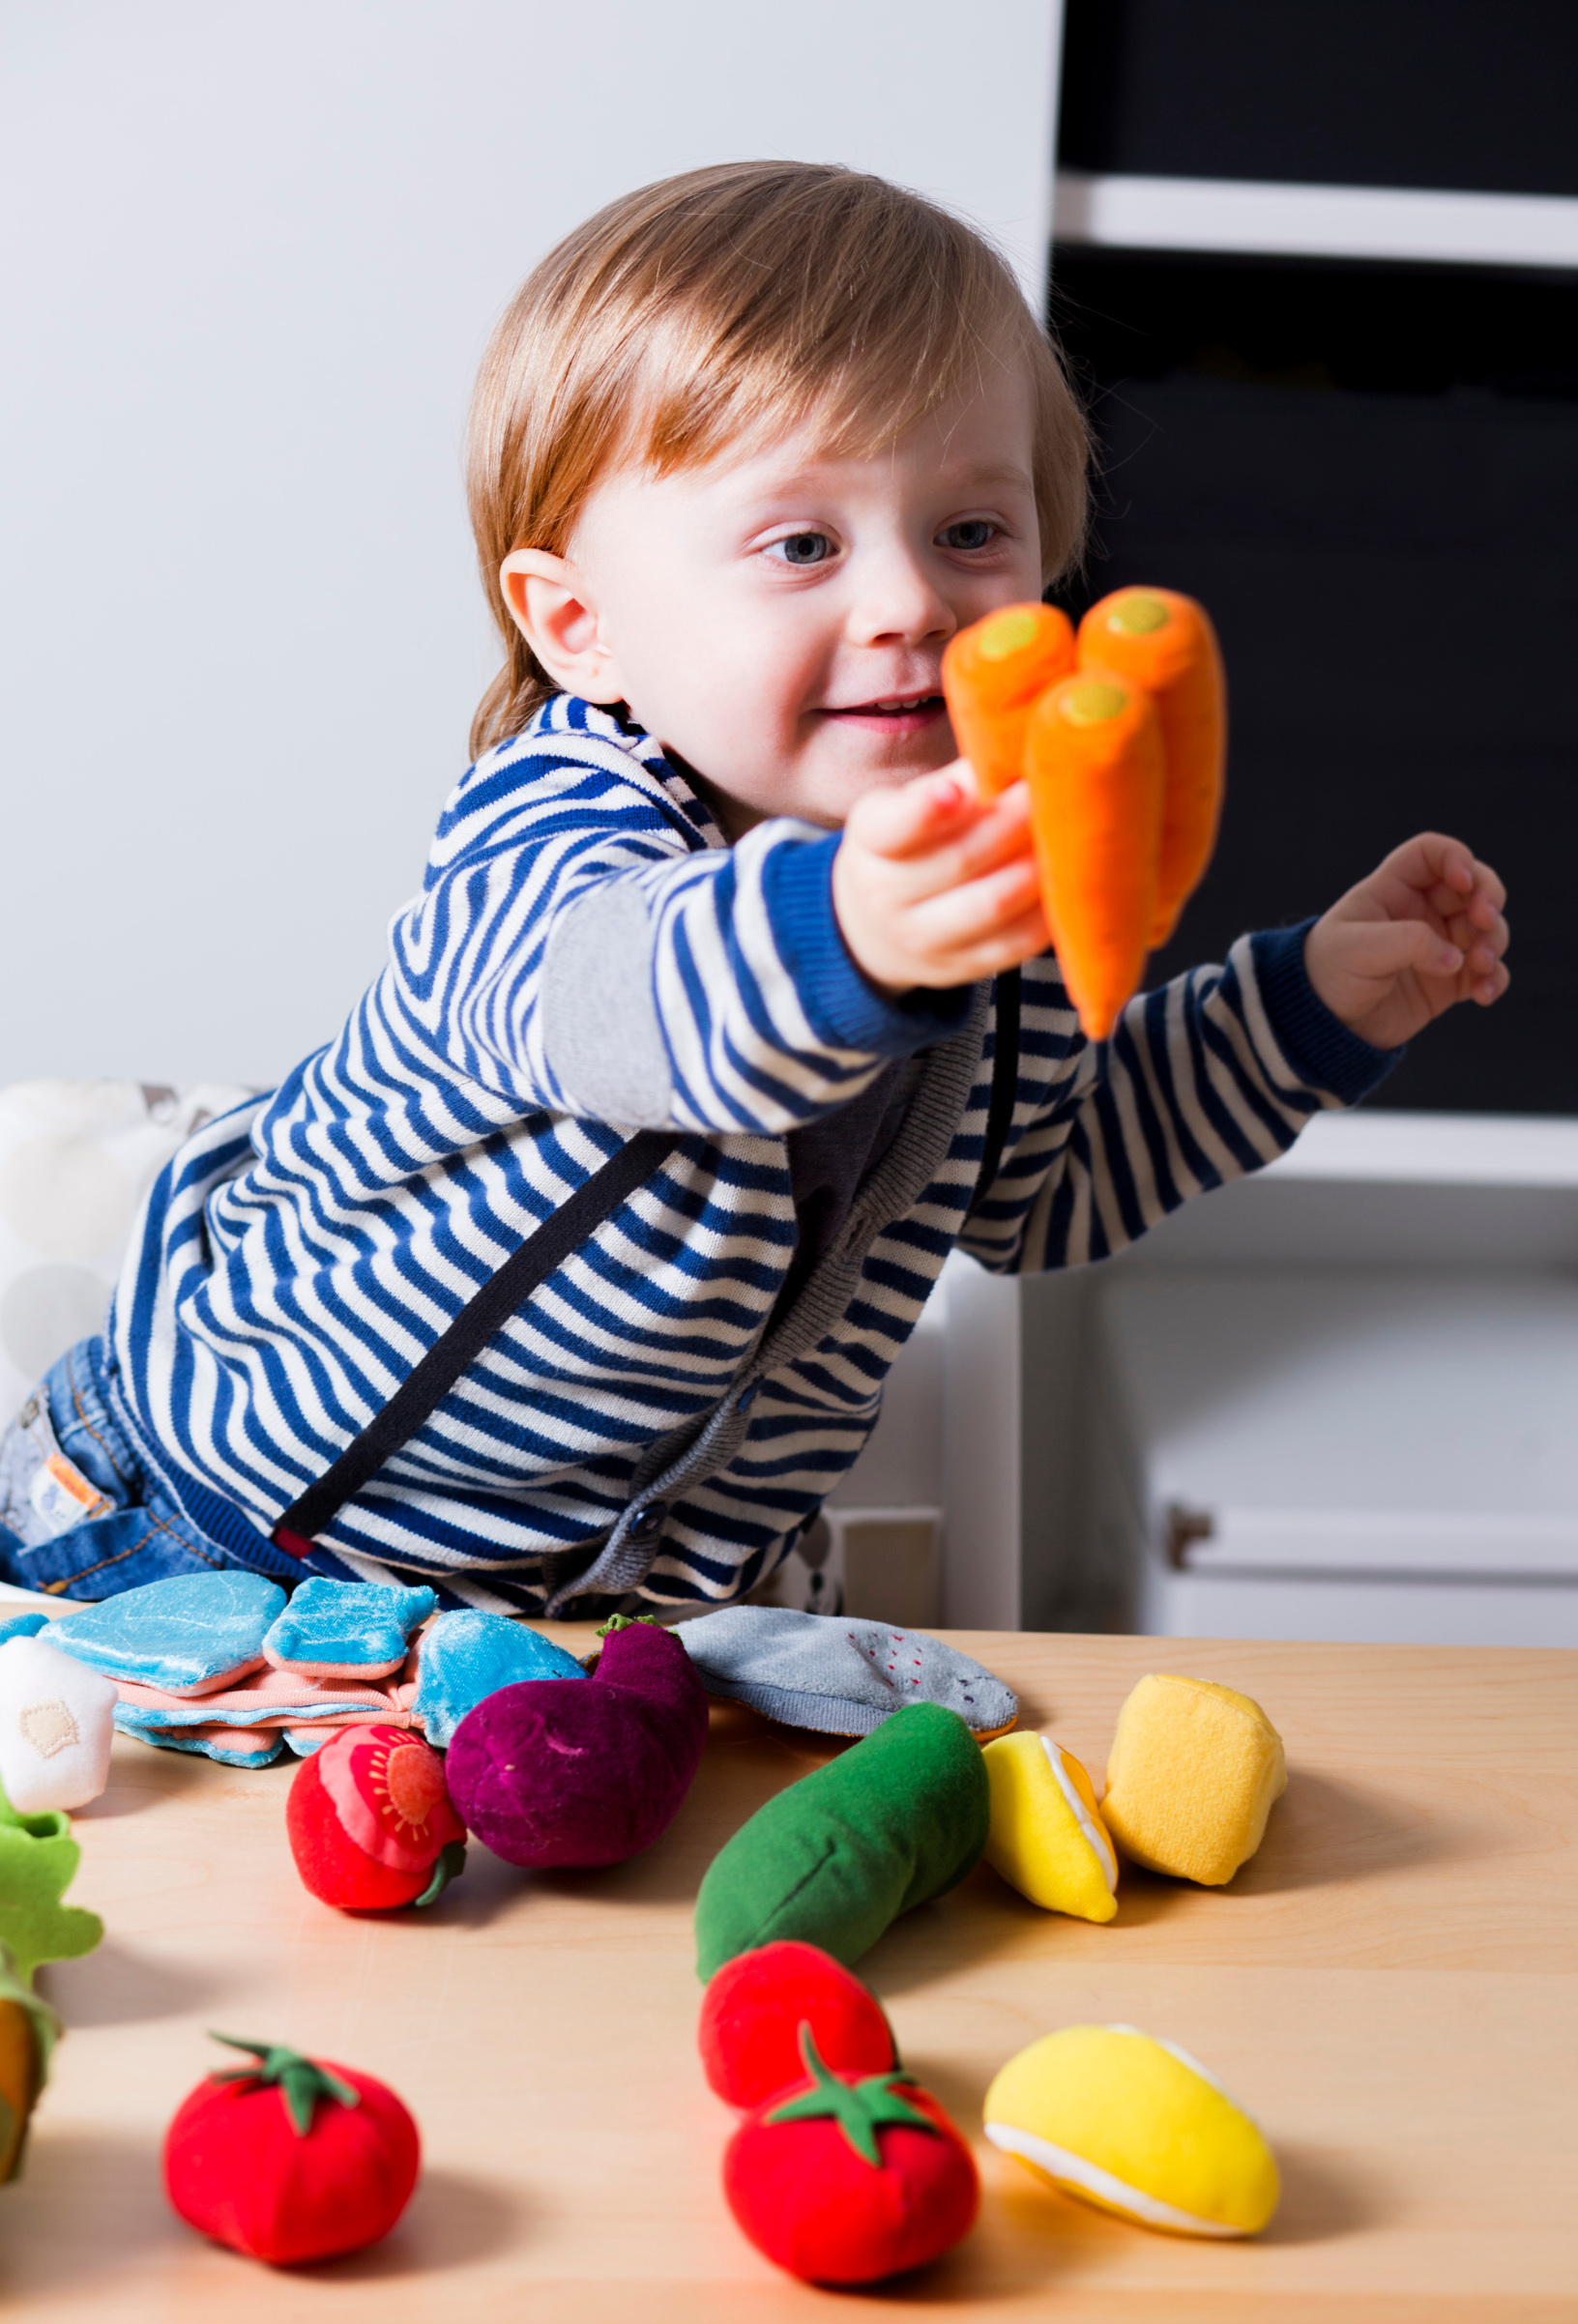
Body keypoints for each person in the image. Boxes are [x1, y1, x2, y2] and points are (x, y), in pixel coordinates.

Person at [0, 161, 1509, 1620]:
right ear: (581, 628)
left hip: (607, 1618)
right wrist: (850, 933)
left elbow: (1049, 1185)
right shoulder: (552, 825)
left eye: (972, 532)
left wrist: (1305, 1007)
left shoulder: (1000, 901)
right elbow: (622, 1004)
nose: (911, 600)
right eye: (800, 543)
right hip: (221, 1535)